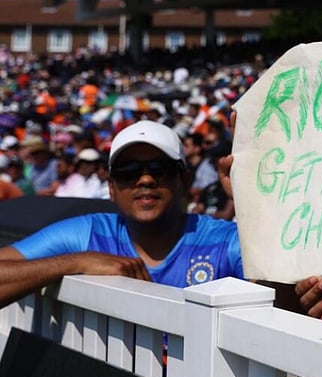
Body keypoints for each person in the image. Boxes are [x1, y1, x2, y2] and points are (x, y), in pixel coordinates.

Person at [0, 120, 244, 306]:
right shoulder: (88, 234)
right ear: (111, 188)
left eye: (160, 169)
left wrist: (251, 209)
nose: (146, 179)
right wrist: (76, 261)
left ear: (185, 181)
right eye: (128, 171)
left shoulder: (224, 240)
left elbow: (282, 306)